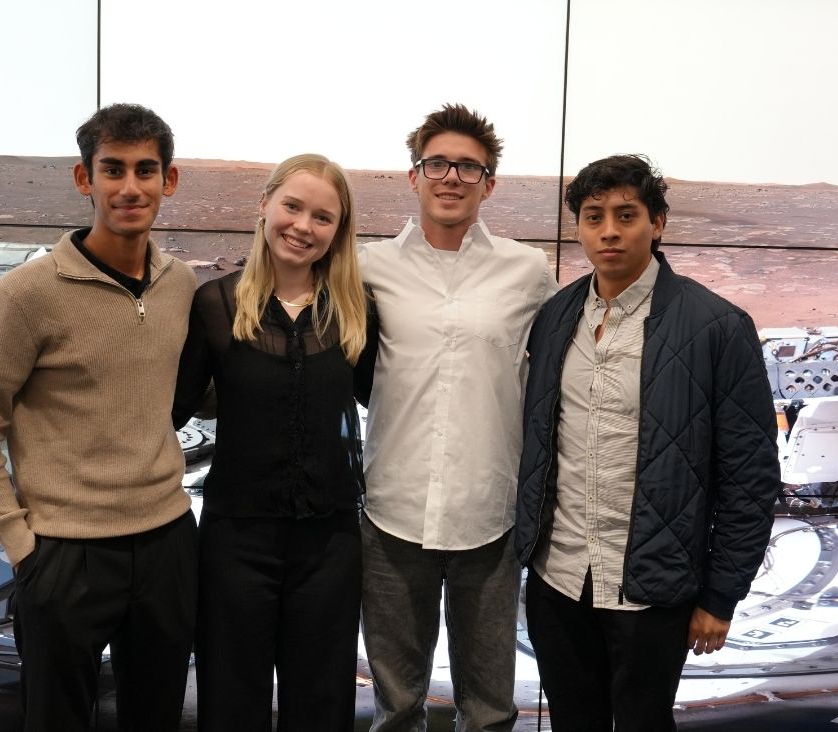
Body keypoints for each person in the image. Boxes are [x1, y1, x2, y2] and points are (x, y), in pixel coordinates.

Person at [0, 103, 198, 731]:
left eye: (146, 170)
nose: (130, 187)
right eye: (112, 169)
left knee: (158, 717)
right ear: (84, 178)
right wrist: (20, 545)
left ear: (169, 180)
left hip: (167, 543)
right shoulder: (27, 295)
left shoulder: (182, 286)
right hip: (63, 553)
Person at [515, 154, 782, 731]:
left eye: (625, 214)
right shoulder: (555, 317)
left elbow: (750, 476)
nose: (608, 231)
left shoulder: (717, 326)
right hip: (559, 579)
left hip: (654, 590)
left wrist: (720, 596)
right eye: (593, 217)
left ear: (657, 223)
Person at [358, 103, 557, 731]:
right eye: (437, 163)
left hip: (488, 518)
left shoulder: (527, 272)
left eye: (468, 167)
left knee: (493, 707)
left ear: (489, 183)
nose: (451, 177)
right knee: (395, 706)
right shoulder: (369, 267)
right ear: (413, 176)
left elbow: (551, 381)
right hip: (393, 514)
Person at [173, 153, 376, 731]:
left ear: (338, 232)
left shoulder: (355, 310)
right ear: (264, 206)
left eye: (322, 217)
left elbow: (390, 401)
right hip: (237, 537)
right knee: (231, 699)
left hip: (331, 540)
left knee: (321, 702)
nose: (303, 226)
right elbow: (168, 409)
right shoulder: (215, 304)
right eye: (292, 206)